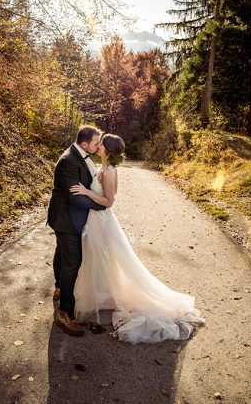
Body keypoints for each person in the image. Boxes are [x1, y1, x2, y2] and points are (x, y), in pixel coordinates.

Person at [71, 133, 204, 344]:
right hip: (97, 220)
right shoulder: (106, 168)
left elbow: (109, 201)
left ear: (107, 149)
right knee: (103, 257)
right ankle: (107, 292)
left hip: (102, 219)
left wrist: (87, 192)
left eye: (101, 144)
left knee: (104, 256)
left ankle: (109, 294)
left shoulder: (108, 172)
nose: (98, 146)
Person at [47, 125, 106, 336]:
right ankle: (64, 313)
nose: (99, 145)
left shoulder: (82, 156)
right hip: (66, 218)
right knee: (72, 261)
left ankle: (60, 287)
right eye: (96, 142)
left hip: (71, 216)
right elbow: (74, 197)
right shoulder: (68, 161)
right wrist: (102, 204)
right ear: (84, 144)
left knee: (62, 253)